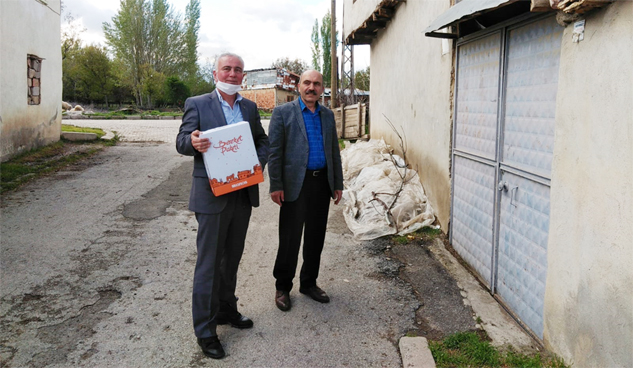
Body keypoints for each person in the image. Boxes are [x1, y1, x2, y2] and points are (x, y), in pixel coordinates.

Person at [176, 52, 269, 359]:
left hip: (241, 194)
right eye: (226, 69)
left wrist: (258, 162)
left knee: (232, 259)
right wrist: (194, 142)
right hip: (211, 196)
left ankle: (228, 310)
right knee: (209, 264)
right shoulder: (198, 103)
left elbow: (262, 141)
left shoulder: (250, 107)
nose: (232, 74)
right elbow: (181, 142)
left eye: (238, 70)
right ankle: (205, 331)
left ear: (243, 76)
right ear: (215, 73)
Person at [267, 69, 344, 312]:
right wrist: (276, 185)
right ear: (298, 86)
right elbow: (275, 152)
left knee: (315, 237)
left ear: (322, 88)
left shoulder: (327, 115)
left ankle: (308, 283)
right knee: (289, 238)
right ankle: (282, 286)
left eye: (317, 84)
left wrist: (337, 183)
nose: (312, 88)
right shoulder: (282, 113)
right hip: (294, 185)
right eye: (307, 83)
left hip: (321, 184)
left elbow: (334, 152)